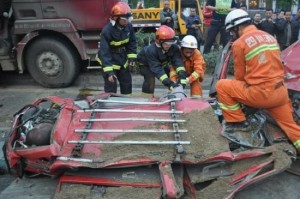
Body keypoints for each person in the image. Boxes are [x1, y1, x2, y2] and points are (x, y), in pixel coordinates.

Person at [215, 9, 300, 154]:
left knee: (222, 85)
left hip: (260, 95)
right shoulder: (269, 37)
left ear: (237, 27)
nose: (232, 34)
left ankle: (238, 124)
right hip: (280, 94)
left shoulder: (239, 43)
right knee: (291, 127)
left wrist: (241, 98)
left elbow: (240, 77)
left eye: (232, 31)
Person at [96, 2, 137, 95]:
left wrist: (132, 58)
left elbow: (132, 42)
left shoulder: (128, 27)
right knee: (111, 86)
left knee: (127, 83)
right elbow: (104, 52)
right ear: (116, 18)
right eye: (124, 19)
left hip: (122, 59)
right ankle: (110, 106)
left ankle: (127, 105)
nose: (126, 21)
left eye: (128, 19)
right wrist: (109, 72)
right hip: (109, 60)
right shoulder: (107, 31)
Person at [137, 25, 187, 97]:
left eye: (171, 42)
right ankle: (146, 98)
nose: (169, 46)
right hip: (145, 64)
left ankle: (175, 94)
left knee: (171, 74)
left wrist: (182, 75)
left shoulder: (173, 47)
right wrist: (168, 83)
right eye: (167, 43)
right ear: (159, 41)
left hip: (161, 63)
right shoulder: (151, 51)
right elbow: (157, 69)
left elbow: (177, 61)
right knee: (150, 79)